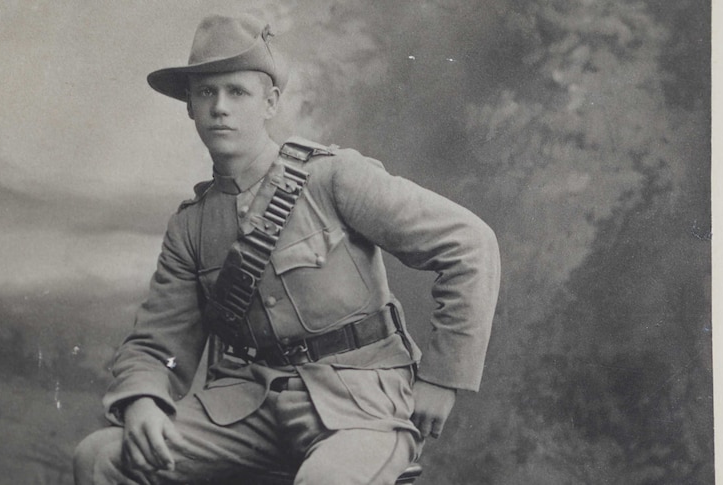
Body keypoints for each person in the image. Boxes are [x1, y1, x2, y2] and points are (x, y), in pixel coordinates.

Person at [74, 13, 500, 485]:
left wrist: (441, 379)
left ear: (270, 102)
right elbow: (160, 346)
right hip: (243, 413)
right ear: (189, 107)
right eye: (206, 93)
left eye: (238, 92)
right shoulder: (191, 227)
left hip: (360, 404)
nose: (220, 108)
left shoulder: (331, 179)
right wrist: (143, 401)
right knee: (101, 456)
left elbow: (470, 245)